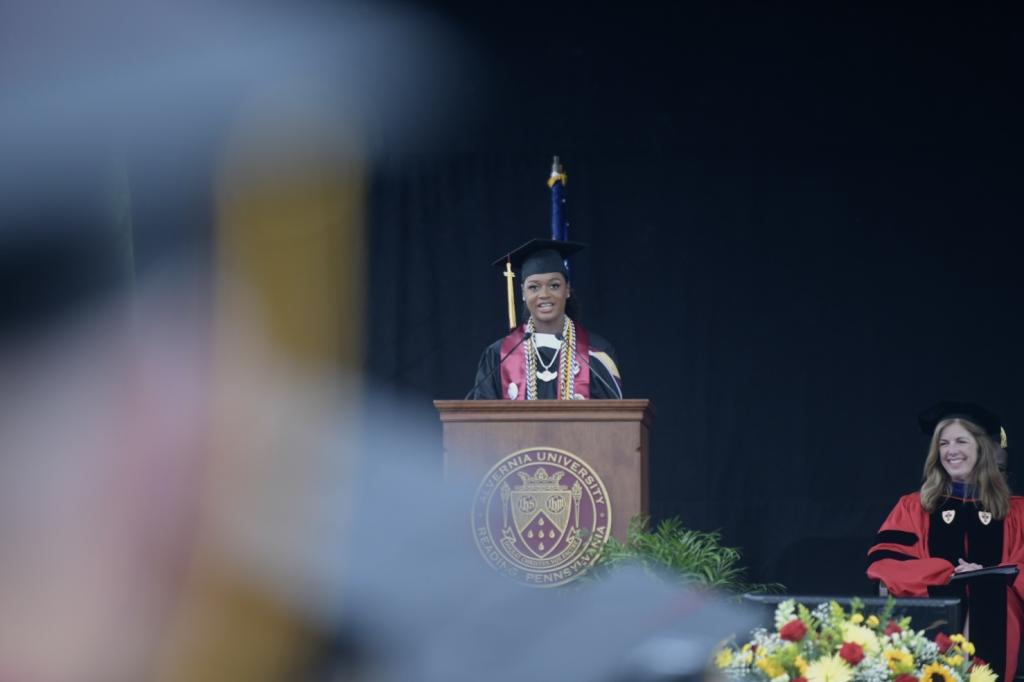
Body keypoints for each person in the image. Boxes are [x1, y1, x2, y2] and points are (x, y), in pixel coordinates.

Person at [867, 401, 1024, 681]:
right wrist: (947, 572)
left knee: (990, 595)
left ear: (982, 449)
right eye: (944, 443)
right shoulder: (913, 507)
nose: (951, 450)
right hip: (932, 620)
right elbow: (886, 564)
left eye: (961, 441)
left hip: (1000, 621)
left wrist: (989, 577)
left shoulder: (1016, 512)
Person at [471, 239, 622, 400]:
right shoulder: (499, 355)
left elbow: (614, 418)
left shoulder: (597, 352)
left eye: (554, 285)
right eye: (534, 287)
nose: (544, 294)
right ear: (523, 293)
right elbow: (483, 420)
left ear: (568, 289)